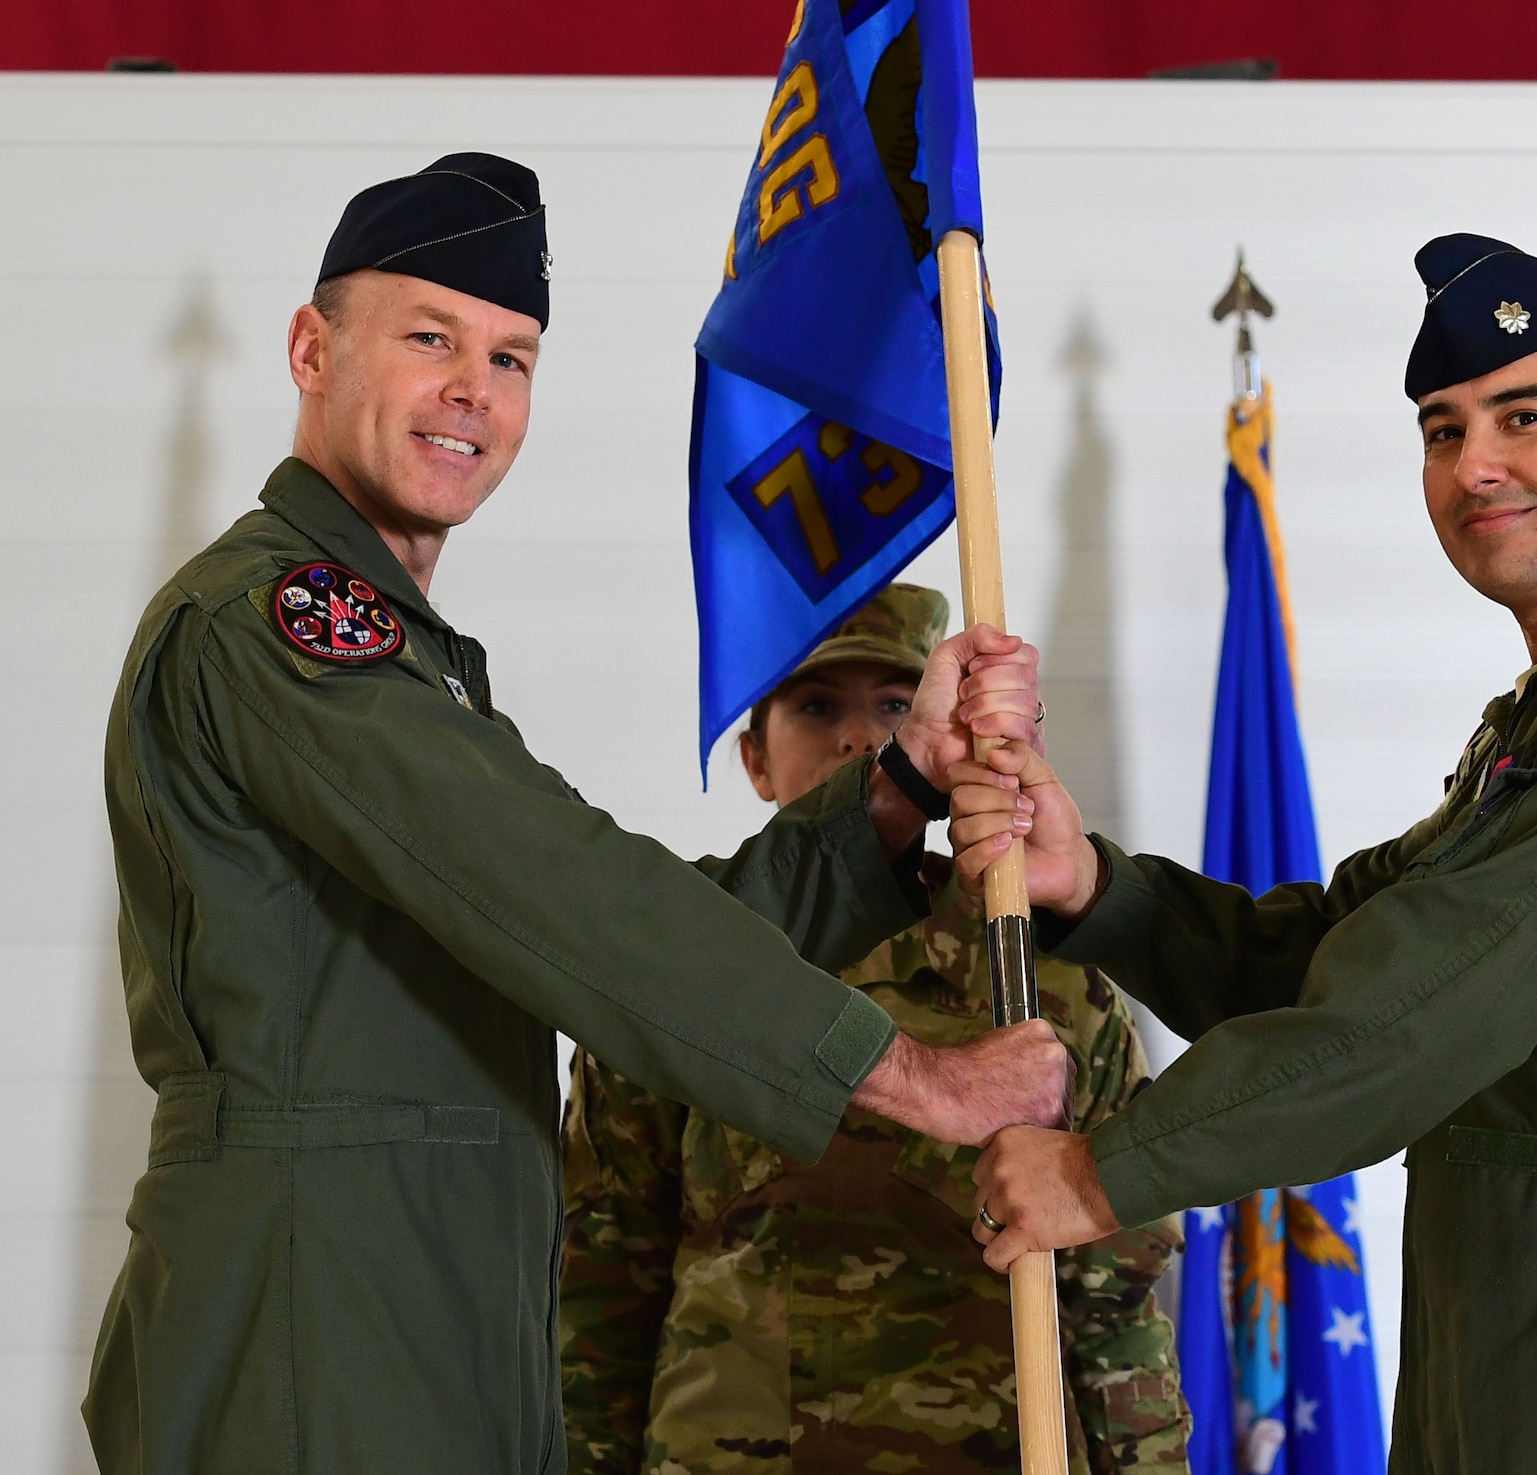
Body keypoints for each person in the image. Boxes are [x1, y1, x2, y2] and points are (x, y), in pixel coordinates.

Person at [87, 153, 1067, 1475]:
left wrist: (899, 783)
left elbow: (617, 925)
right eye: (429, 338)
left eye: (511, 358)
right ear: (312, 348)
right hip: (312, 1317)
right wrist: (915, 1075)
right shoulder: (279, 624)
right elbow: (572, 896)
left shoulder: (408, 657)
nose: (472, 393)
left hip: (437, 1310)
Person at [952, 235, 1537, 1473]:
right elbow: (1351, 954)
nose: (1473, 466)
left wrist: (1106, 1170)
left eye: (1523, 416)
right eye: (1443, 431)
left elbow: (1432, 998)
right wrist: (1100, 889)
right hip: (1530, 1335)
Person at [559, 584, 1191, 1475]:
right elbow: (598, 1297)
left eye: (894, 706)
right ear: (754, 757)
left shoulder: (1041, 985)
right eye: (817, 706)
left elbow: (1116, 1304)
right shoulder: (673, 969)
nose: (858, 738)